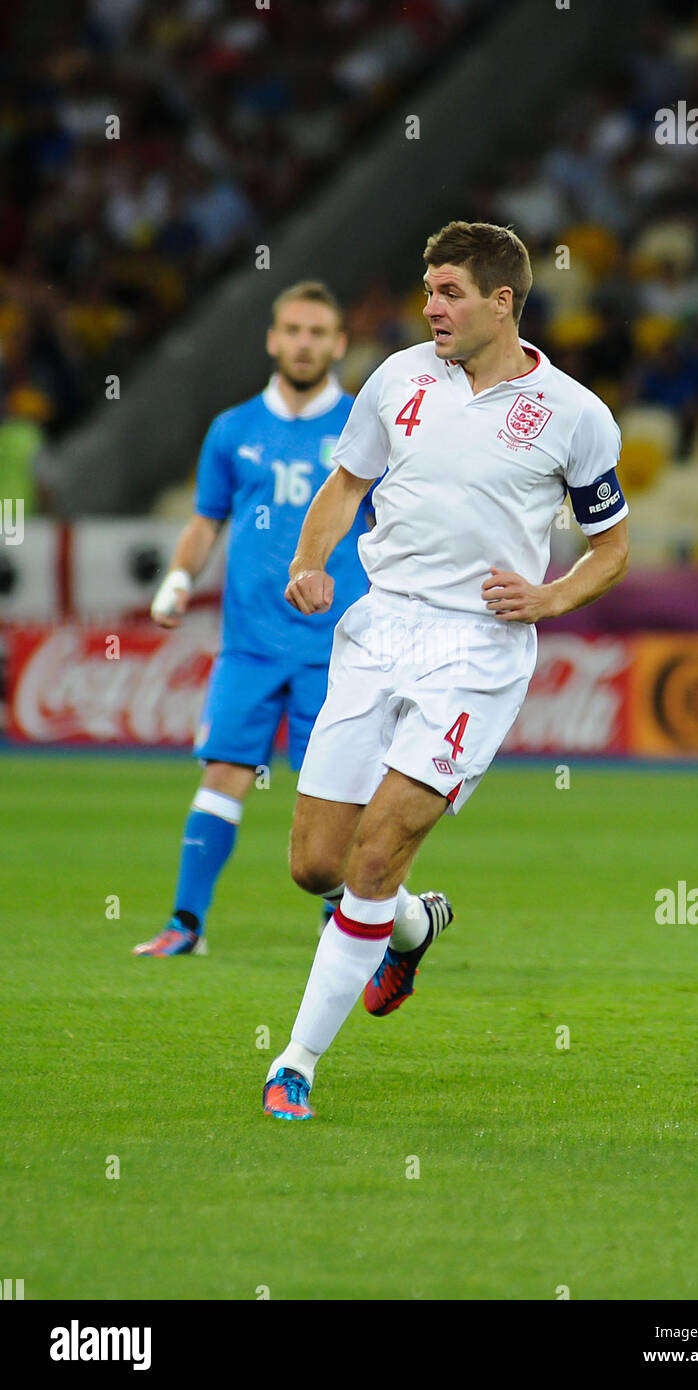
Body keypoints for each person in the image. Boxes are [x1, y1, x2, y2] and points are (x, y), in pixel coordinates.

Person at [261, 222, 629, 1120]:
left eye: (451, 292)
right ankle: (414, 927)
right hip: (380, 628)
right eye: (428, 290)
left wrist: (548, 599)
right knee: (317, 866)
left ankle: (295, 1064)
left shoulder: (575, 414)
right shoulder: (397, 379)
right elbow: (347, 485)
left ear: (503, 302)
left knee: (377, 854)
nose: (432, 307)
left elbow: (612, 548)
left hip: (476, 651)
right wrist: (311, 561)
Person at [134, 282, 375, 955]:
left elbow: (395, 527)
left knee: (337, 795)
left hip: (338, 650)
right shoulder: (233, 429)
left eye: (318, 332)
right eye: (293, 330)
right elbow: (206, 520)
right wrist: (180, 578)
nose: (304, 342)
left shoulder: (366, 428)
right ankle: (186, 924)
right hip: (249, 646)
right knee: (222, 775)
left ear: (338, 344)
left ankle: (344, 928)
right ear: (273, 339)